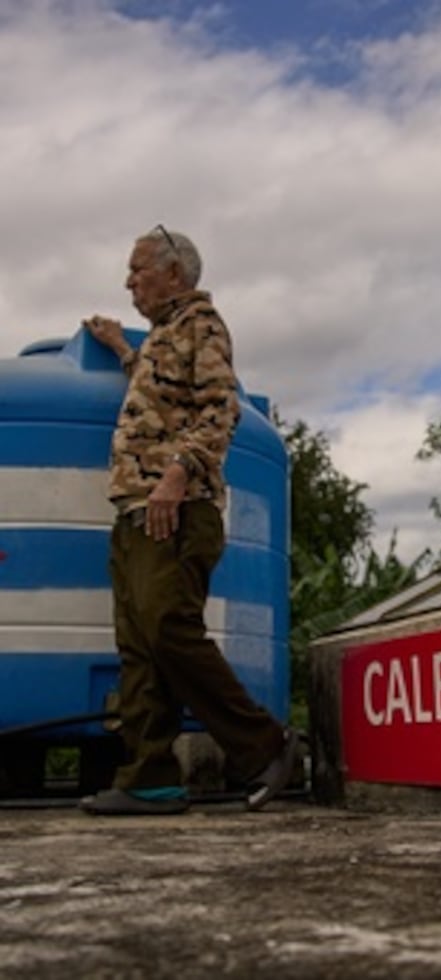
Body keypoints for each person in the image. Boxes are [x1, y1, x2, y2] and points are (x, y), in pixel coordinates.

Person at [80, 225, 297, 815]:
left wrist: (177, 474)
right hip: (134, 508)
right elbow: (159, 398)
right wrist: (122, 350)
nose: (128, 281)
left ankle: (267, 747)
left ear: (174, 274)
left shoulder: (203, 326)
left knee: (170, 630)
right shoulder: (160, 340)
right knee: (139, 645)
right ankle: (150, 776)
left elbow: (219, 405)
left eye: (137, 269)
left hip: (175, 508)